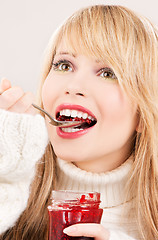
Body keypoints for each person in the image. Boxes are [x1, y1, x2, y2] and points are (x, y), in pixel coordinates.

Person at [0, 4, 158, 240]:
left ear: (144, 115)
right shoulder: (10, 194)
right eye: (64, 65)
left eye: (108, 73)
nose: (73, 86)